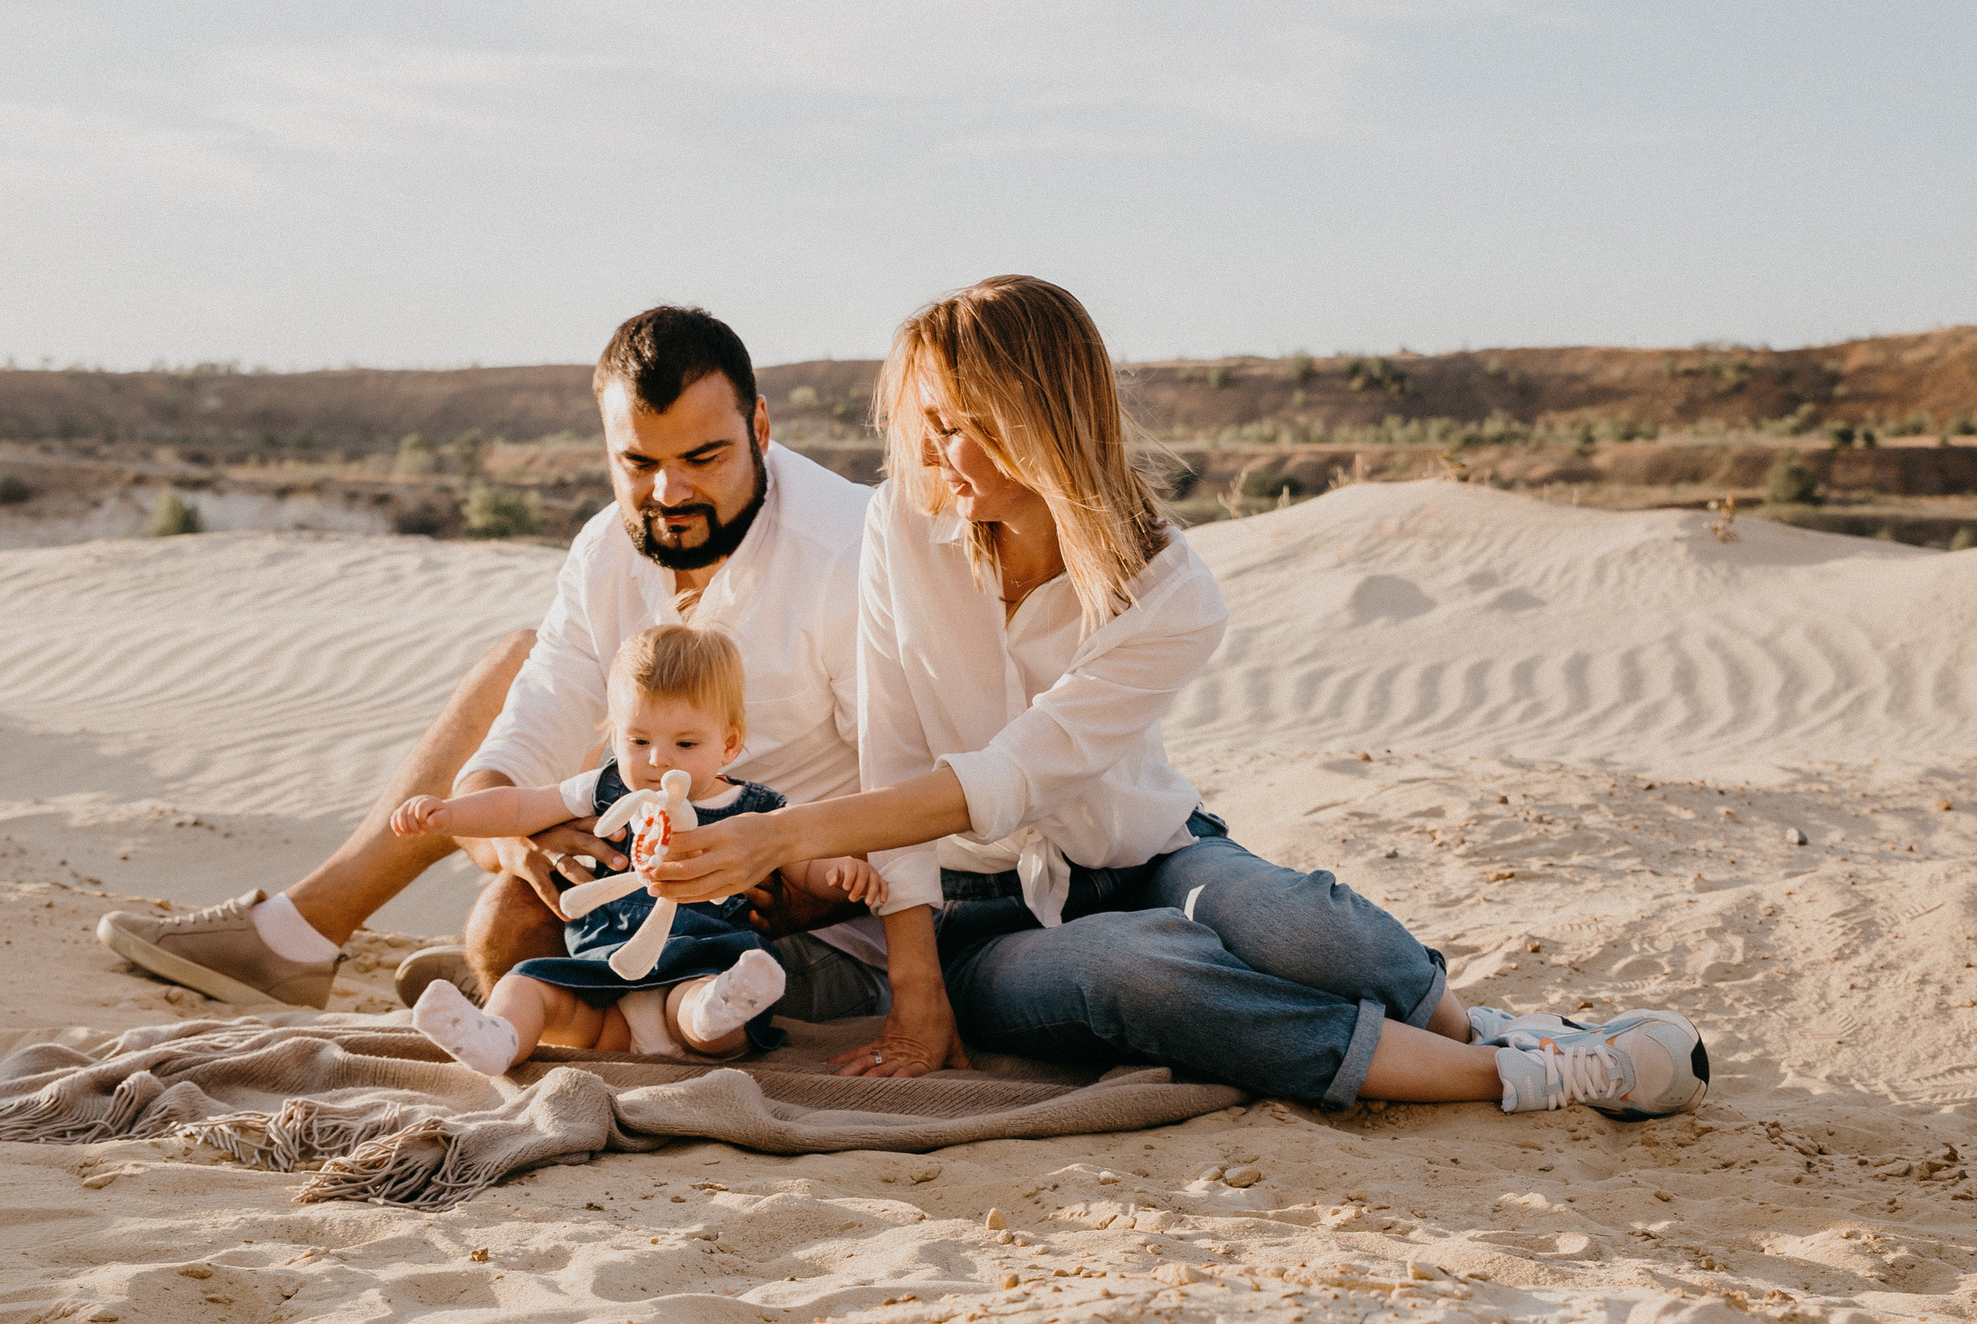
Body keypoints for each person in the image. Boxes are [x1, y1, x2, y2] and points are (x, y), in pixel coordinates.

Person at [650, 276, 1710, 1119]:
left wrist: (778, 833)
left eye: (967, 426)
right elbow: (893, 751)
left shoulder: (1167, 589)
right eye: (928, 424)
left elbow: (1009, 775)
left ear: (1044, 421)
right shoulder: (900, 528)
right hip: (979, 922)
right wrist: (916, 979)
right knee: (1145, 969)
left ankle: (1488, 1027)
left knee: (1298, 923)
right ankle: (1518, 1081)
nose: (939, 455)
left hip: (1150, 852)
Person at [97, 305, 889, 1026]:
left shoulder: (849, 551)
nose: (667, 491)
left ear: (761, 425)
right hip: (648, 848)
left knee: (501, 929)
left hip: (802, 891)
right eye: (638, 462)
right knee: (520, 704)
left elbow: (907, 793)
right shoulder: (607, 548)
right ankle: (325, 942)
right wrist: (528, 844)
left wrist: (781, 863)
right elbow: (518, 746)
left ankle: (341, 945)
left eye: (703, 458)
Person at [399, 624, 890, 1074]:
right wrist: (451, 812)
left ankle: (718, 1011)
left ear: (729, 744)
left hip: (696, 965)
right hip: (600, 984)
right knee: (528, 984)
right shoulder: (606, 789)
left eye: (685, 744)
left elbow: (800, 858)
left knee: (705, 1009)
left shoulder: (752, 809)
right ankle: (498, 1038)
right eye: (637, 740)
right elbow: (520, 808)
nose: (657, 760)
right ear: (614, 733)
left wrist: (840, 871)